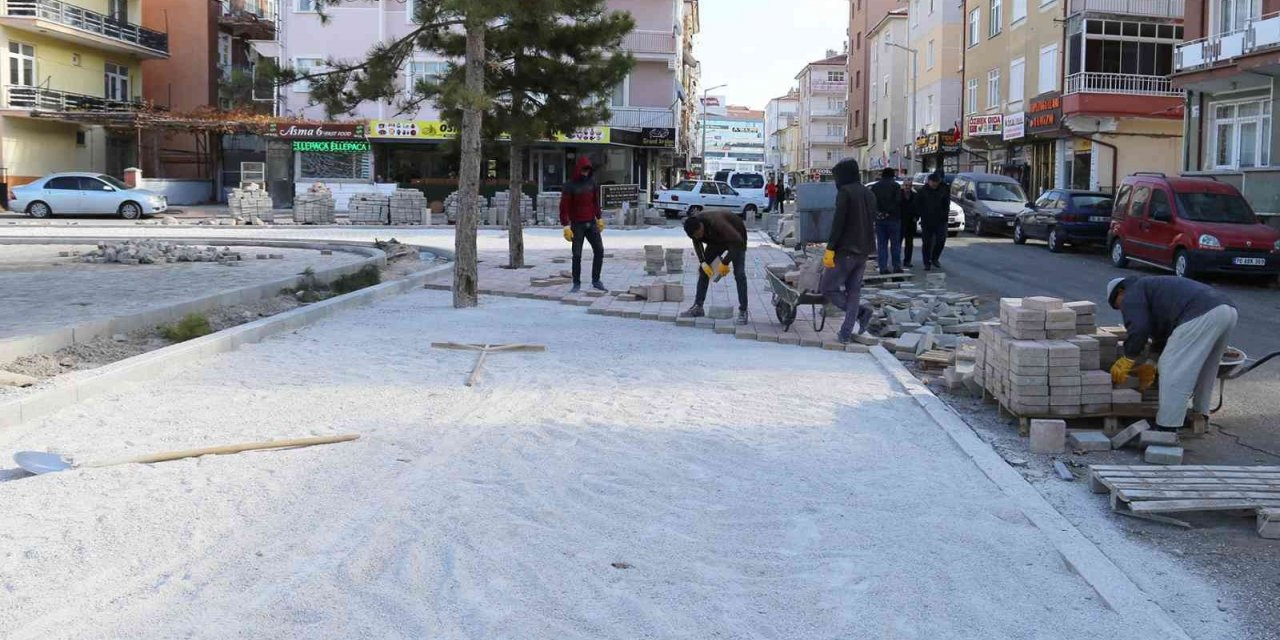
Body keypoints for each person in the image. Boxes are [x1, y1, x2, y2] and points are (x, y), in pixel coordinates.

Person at [1107, 276, 1238, 433]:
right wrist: (1150, 362)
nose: (1122, 309)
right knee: (1206, 368)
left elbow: (1138, 329)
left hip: (1202, 312)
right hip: (1227, 310)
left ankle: (1167, 426)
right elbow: (1163, 336)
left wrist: (1128, 357)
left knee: (1172, 368)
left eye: (1119, 305)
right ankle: (1200, 413)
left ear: (1121, 291)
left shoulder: (1132, 291)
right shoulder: (1154, 291)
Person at [821, 157, 877, 343]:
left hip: (845, 250)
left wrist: (830, 248)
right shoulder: (868, 193)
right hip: (864, 250)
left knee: (828, 288)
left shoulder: (845, 192)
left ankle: (861, 311)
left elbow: (839, 223)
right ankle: (845, 333)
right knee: (853, 291)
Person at [679, 210, 750, 325]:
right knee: (703, 270)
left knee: (739, 274)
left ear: (701, 226)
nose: (698, 237)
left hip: (737, 239)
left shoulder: (717, 223)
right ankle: (698, 306)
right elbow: (697, 243)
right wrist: (703, 262)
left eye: (699, 233)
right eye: (695, 236)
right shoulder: (693, 228)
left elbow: (737, 243)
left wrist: (725, 262)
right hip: (717, 241)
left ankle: (743, 310)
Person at [559, 155, 606, 293]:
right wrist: (566, 225)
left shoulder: (592, 183)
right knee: (577, 255)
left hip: (591, 223)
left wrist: (599, 218)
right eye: (583, 170)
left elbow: (595, 203)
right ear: (578, 170)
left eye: (587, 170)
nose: (585, 173)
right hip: (577, 225)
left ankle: (596, 280)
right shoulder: (569, 185)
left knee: (599, 250)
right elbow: (564, 207)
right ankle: (576, 283)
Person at [869, 168, 903, 274]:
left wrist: (879, 213)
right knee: (895, 245)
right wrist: (888, 212)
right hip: (894, 219)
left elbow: (872, 202)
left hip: (880, 220)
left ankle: (883, 267)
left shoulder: (875, 187)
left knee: (882, 245)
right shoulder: (896, 186)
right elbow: (898, 201)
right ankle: (896, 267)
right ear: (892, 176)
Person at [915, 172, 950, 271]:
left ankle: (935, 258)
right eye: (933, 182)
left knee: (941, 240)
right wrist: (919, 215)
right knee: (927, 242)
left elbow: (946, 204)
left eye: (936, 182)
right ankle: (926, 262)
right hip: (927, 221)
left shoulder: (943, 190)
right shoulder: (923, 191)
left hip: (940, 220)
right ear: (929, 181)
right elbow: (917, 205)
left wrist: (945, 216)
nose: (934, 184)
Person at [900, 177, 917, 269]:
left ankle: (907, 261)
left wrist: (916, 217)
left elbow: (918, 208)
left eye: (909, 186)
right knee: (898, 243)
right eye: (906, 185)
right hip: (900, 222)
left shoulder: (914, 196)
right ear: (903, 186)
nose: (907, 187)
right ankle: (897, 261)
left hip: (911, 223)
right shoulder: (899, 194)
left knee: (909, 243)